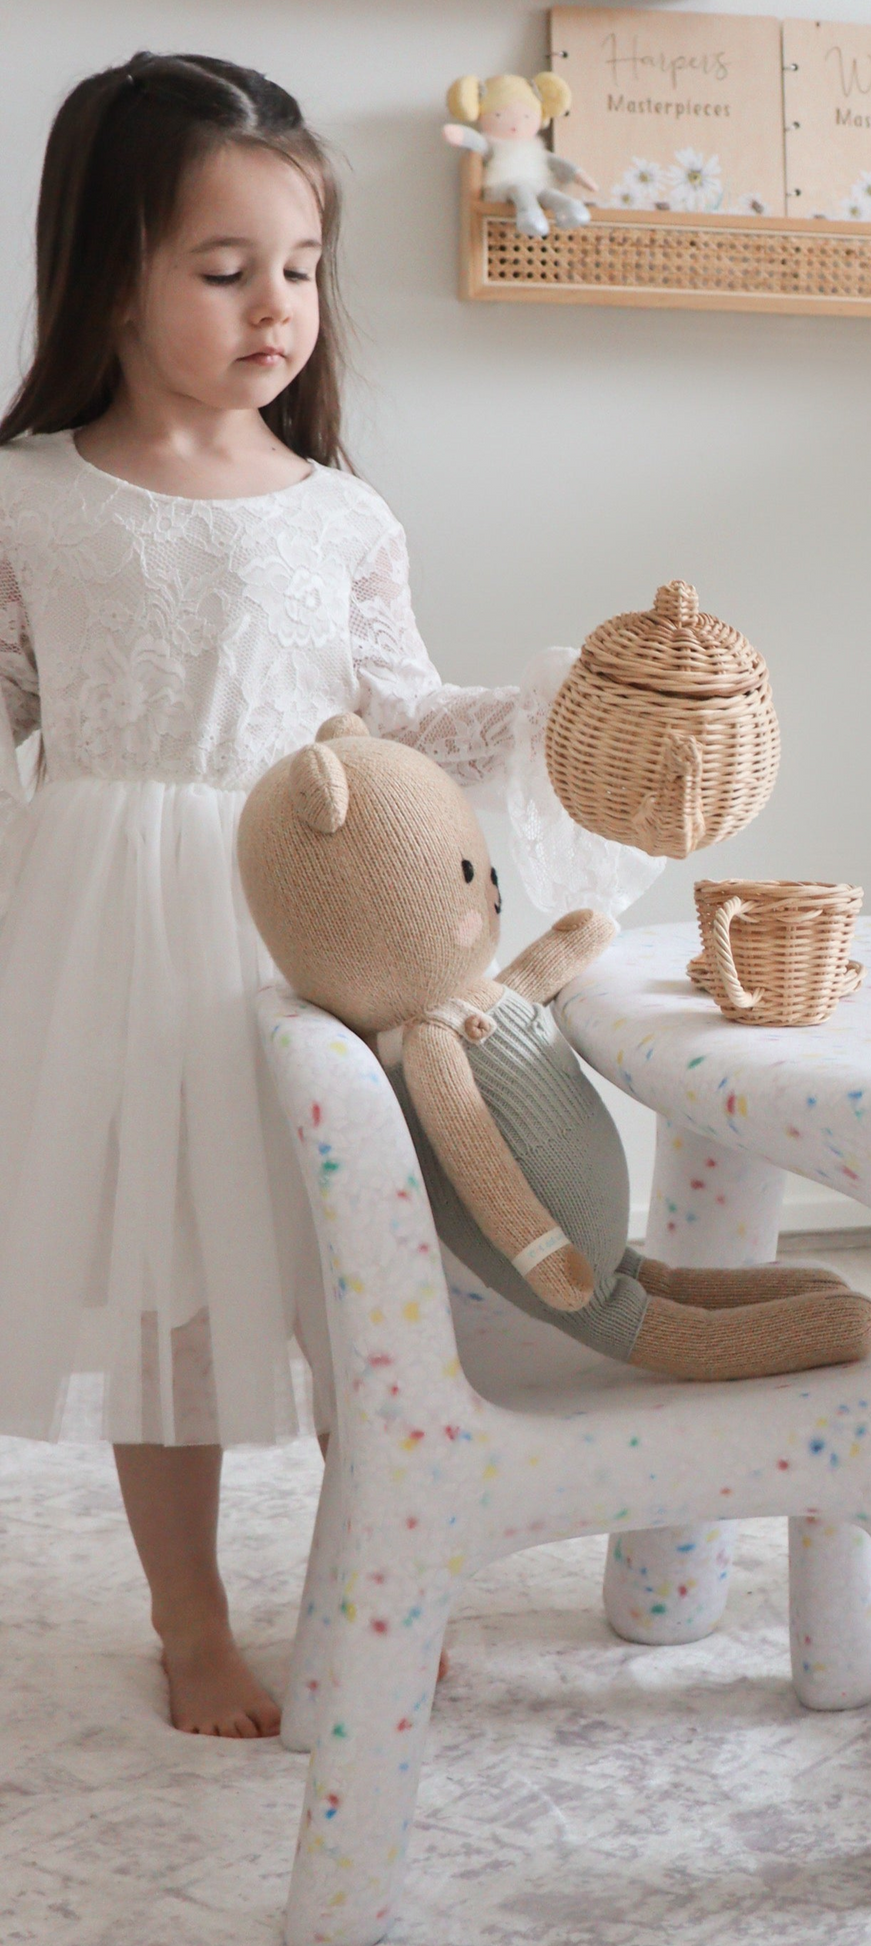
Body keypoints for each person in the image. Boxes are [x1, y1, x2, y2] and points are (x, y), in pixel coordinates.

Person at [0, 53, 648, 1737]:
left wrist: (539, 706)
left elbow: (399, 709)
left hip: (312, 918)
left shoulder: (340, 510)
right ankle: (192, 1620)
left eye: (297, 267)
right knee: (175, 1300)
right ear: (107, 278)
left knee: (367, 1275)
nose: (275, 306)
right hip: (114, 930)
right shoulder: (30, 497)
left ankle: (388, 1578)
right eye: (224, 271)